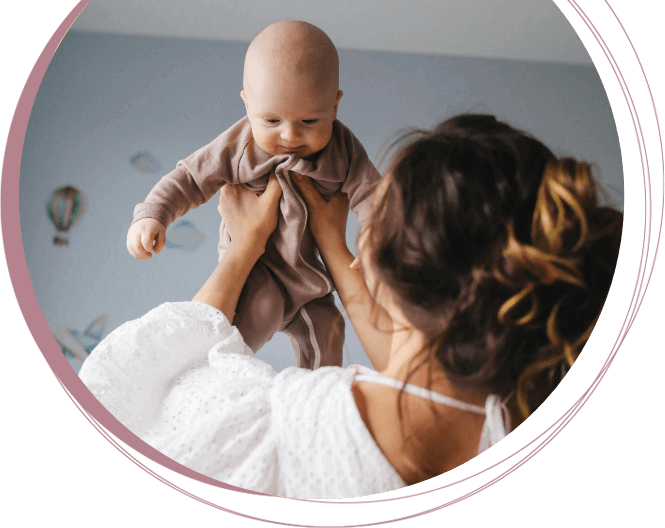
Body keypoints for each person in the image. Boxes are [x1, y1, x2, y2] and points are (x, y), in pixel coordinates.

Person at [81, 114, 623, 498]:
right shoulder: (508, 424)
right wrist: (336, 247)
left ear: (387, 273)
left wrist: (244, 248)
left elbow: (165, 369)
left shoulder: (284, 424)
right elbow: (417, 367)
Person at [125, 20, 380, 370]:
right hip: (258, 275)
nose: (290, 135)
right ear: (247, 106)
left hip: (310, 282)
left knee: (329, 331)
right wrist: (154, 213)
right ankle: (216, 385)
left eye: (309, 121)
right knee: (235, 335)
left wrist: (377, 237)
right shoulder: (239, 145)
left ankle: (314, 400)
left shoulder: (344, 150)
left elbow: (373, 194)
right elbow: (190, 178)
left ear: (334, 106)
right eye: (272, 121)